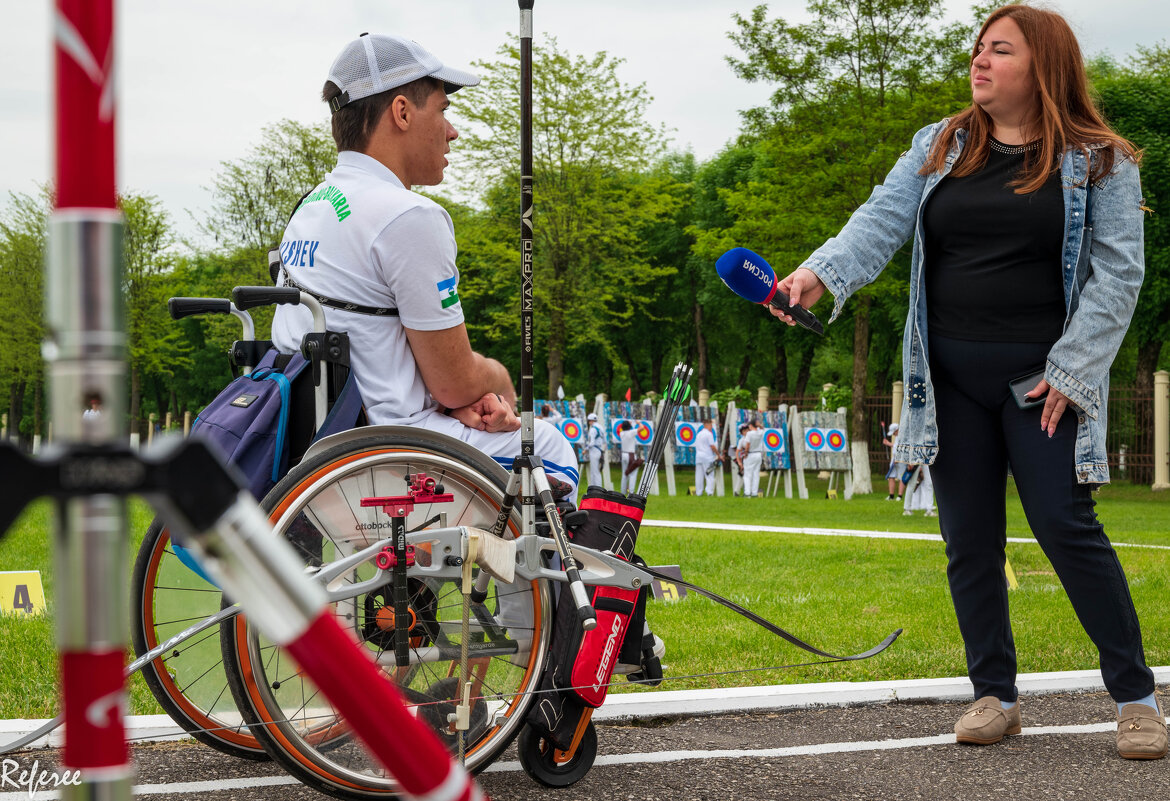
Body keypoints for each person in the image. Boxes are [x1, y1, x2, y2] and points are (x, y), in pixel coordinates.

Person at [769, 4, 1163, 759]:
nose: (980, 61)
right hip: (947, 381)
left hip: (1043, 385)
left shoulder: (1101, 159)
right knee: (968, 541)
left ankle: (1137, 698)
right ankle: (995, 695)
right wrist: (820, 274)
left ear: (1042, 66)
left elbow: (1119, 273)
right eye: (979, 48)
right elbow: (877, 221)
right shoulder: (942, 142)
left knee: (1066, 528)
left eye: (1000, 50)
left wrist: (1073, 370)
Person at [270, 33, 578, 497]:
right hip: (388, 454)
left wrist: (452, 400)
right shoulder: (407, 214)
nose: (452, 130)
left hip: (313, 449)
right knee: (552, 448)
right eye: (443, 109)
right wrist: (498, 381)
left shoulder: (308, 208)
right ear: (402, 112)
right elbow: (455, 384)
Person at [693, 417, 720, 496]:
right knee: (709, 474)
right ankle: (709, 492)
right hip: (707, 456)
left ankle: (698, 492)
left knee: (699, 475)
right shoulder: (709, 434)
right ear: (708, 425)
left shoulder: (699, 434)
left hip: (699, 456)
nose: (712, 427)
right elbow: (712, 446)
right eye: (711, 425)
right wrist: (718, 455)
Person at [882, 422, 906, 501]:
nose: (893, 434)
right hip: (894, 459)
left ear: (897, 430)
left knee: (901, 477)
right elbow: (895, 446)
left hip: (901, 459)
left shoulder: (903, 436)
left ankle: (899, 496)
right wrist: (888, 444)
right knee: (891, 476)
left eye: (893, 432)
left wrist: (898, 458)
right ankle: (891, 496)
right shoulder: (897, 436)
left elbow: (902, 448)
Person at [742, 419, 764, 499]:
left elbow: (747, 444)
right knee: (755, 474)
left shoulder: (749, 434)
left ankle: (747, 493)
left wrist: (746, 453)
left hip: (750, 454)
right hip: (758, 454)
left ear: (751, 425)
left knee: (747, 474)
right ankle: (754, 493)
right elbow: (763, 429)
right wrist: (759, 425)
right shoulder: (760, 432)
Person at [618, 420, 640, 495]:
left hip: (623, 455)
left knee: (625, 474)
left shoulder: (621, 433)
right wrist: (638, 423)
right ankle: (631, 492)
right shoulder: (631, 432)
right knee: (632, 474)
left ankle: (623, 492)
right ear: (629, 427)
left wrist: (630, 424)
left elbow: (628, 428)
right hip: (631, 455)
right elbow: (642, 428)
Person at [585, 412, 605, 488]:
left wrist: (586, 449)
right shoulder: (601, 428)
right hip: (599, 450)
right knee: (597, 471)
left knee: (594, 472)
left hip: (594, 450)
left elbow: (592, 443)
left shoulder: (593, 429)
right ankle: (595, 488)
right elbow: (604, 441)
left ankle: (596, 488)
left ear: (590, 420)